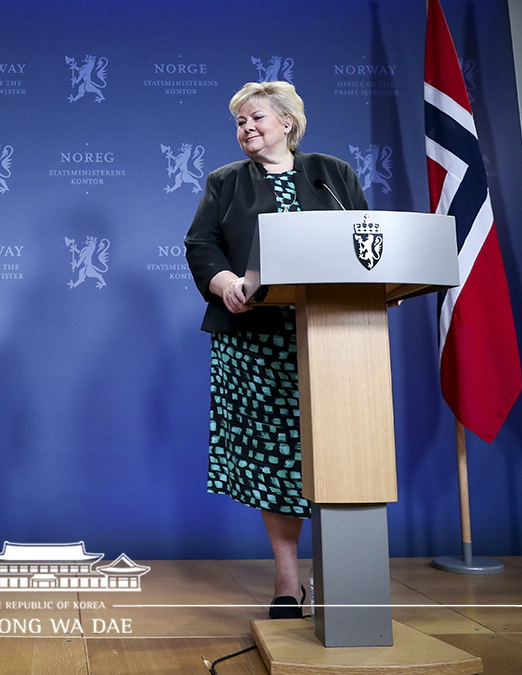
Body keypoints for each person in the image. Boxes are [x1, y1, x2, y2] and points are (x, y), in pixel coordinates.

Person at [184, 81, 367, 619]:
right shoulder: (225, 183)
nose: (247, 129)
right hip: (255, 339)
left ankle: (339, 572)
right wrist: (224, 283)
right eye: (240, 123)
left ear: (287, 122)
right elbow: (201, 244)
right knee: (275, 457)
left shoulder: (332, 175)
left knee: (334, 447)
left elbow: (365, 238)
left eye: (257, 118)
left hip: (331, 333)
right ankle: (288, 579)